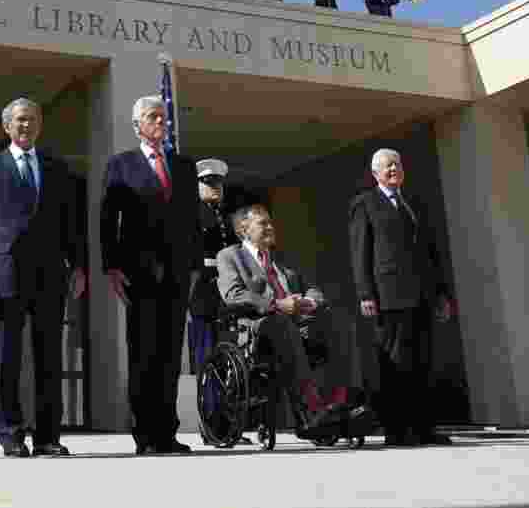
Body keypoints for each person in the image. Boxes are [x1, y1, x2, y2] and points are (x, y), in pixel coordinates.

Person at [0, 98, 87, 458]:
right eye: (19, 120)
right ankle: (10, 433)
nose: (26, 126)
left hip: (51, 273)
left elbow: (72, 225)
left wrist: (78, 266)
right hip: (7, 271)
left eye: (31, 120)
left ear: (40, 125)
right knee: (8, 355)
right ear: (7, 127)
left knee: (50, 356)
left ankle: (48, 437)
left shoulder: (58, 169)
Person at [100, 96, 198, 455]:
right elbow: (108, 219)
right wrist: (110, 266)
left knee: (170, 354)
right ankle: (145, 435)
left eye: (163, 117)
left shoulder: (184, 166)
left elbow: (192, 220)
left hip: (176, 272)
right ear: (137, 125)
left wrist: (195, 269)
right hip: (139, 272)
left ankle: (166, 432)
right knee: (144, 353)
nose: (160, 122)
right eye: (152, 117)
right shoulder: (121, 165)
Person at [216, 205, 365, 436]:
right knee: (281, 323)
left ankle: (341, 402)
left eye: (270, 222)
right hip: (259, 329)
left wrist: (310, 302)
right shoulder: (230, 256)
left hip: (297, 324)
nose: (270, 227)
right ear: (243, 229)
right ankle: (310, 410)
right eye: (263, 223)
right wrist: (277, 304)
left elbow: (313, 290)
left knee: (339, 321)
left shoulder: (282, 258)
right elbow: (233, 295)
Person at [348, 148, 455, 446]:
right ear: (375, 173)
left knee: (422, 363)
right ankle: (396, 430)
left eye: (397, 163)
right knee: (394, 365)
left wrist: (441, 293)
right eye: (387, 165)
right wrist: (365, 293)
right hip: (387, 297)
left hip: (421, 296)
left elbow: (432, 253)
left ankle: (423, 428)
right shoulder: (365, 203)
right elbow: (360, 252)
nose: (394, 168)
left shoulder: (414, 203)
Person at [188, 159, 238, 376]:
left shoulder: (224, 216)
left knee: (226, 343)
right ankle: (210, 400)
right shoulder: (191, 213)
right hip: (203, 285)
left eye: (218, 183)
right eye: (209, 183)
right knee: (205, 347)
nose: (216, 188)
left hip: (224, 284)